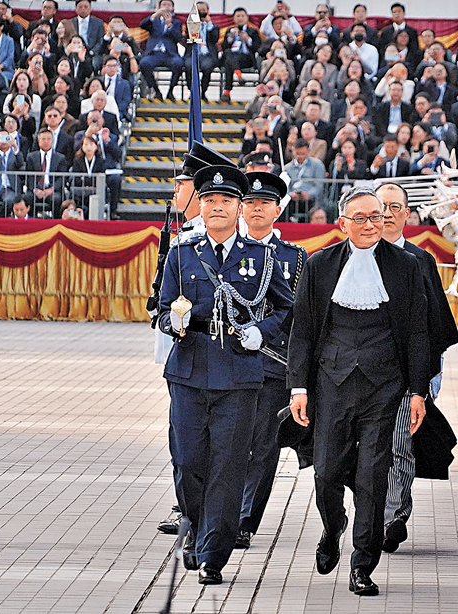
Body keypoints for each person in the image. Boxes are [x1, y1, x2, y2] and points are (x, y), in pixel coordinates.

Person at [287, 185, 430, 596]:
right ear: (343, 223)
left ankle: (363, 563)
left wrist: (418, 390)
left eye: (377, 216)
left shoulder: (406, 265)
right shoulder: (319, 265)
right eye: (361, 218)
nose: (371, 224)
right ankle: (334, 528)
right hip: (331, 384)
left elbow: (418, 331)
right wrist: (298, 387)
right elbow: (303, 330)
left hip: (384, 388)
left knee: (373, 475)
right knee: (326, 471)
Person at [157, 164, 293, 585]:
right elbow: (159, 309)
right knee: (188, 462)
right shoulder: (181, 252)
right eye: (210, 201)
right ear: (200, 205)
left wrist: (260, 331)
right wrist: (174, 322)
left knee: (229, 464)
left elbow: (288, 308)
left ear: (239, 208)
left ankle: (214, 552)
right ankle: (196, 529)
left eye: (227, 201)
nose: (217, 208)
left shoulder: (262, 257)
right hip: (189, 370)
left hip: (240, 374)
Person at [376, 182, 458, 553]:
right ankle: (369, 513)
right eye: (383, 206)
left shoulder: (421, 261)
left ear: (407, 214)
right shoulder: (350, 258)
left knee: (399, 446)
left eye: (396, 207)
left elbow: (436, 324)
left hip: (406, 375)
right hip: (358, 374)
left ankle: (393, 516)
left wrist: (428, 378)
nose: (389, 213)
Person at [235, 171, 308, 549]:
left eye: (264, 203)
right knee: (227, 442)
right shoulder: (225, 250)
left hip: (272, 364)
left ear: (278, 210)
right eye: (249, 203)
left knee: (262, 445)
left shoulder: (294, 258)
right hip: (229, 362)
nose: (256, 209)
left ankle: (245, 520)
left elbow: (302, 316)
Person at [139, 0, 184, 101]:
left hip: (169, 54)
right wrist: (155, 15)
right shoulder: (154, 21)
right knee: (144, 64)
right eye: (163, 5)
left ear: (173, 8)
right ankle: (156, 90)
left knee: (179, 63)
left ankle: (170, 91)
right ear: (159, 7)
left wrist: (169, 26)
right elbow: (142, 25)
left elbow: (178, 37)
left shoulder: (177, 22)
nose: (166, 7)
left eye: (169, 5)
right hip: (154, 53)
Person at [23, 128, 68, 217]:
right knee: (28, 197)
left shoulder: (60, 158)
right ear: (39, 141)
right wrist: (35, 190)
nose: (46, 141)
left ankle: (55, 222)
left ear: (52, 141)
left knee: (56, 199)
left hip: (52, 190)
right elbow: (29, 177)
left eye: (48, 139)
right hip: (36, 190)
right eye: (43, 139)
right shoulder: (31, 157)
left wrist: (51, 189)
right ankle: (32, 221)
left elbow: (62, 178)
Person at [183, 2, 219, 102]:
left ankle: (203, 92)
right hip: (193, 53)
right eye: (199, 11)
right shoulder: (190, 24)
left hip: (207, 54)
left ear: (208, 11)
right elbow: (188, 37)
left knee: (207, 67)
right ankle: (193, 91)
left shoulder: (214, 27)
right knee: (189, 66)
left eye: (204, 10)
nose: (201, 13)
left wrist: (208, 24)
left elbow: (215, 39)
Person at [284, 138, 326, 216]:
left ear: (308, 151)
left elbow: (319, 186)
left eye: (303, 154)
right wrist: (290, 194)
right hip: (293, 198)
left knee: (314, 205)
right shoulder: (287, 168)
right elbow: (286, 186)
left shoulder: (317, 164)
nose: (300, 156)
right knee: (284, 205)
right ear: (293, 151)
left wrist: (309, 194)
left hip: (311, 198)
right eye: (297, 154)